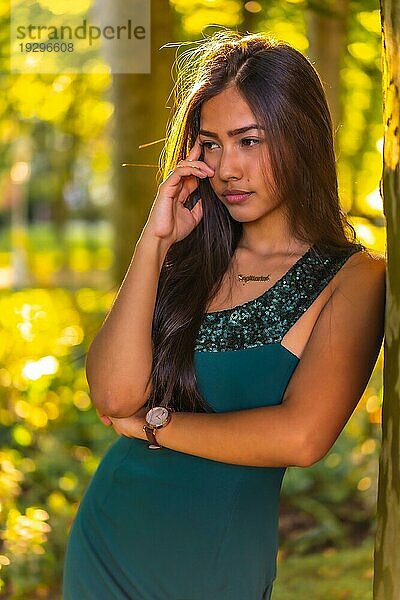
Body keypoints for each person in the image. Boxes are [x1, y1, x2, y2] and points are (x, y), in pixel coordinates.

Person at [62, 29, 386, 600]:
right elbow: (114, 396)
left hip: (216, 566)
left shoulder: (354, 278)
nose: (228, 167)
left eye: (249, 141)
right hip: (108, 546)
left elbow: (302, 437)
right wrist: (154, 244)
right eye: (211, 144)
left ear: (301, 137)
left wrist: (154, 427)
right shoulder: (189, 256)